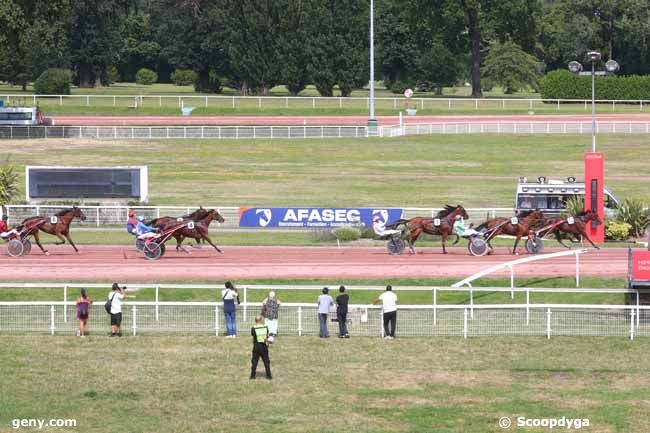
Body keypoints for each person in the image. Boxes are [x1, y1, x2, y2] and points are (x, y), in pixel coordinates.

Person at [250, 315, 272, 380]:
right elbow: (267, 334)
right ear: (261, 320)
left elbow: (253, 334)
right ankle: (269, 376)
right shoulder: (265, 327)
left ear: (255, 321)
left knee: (254, 362)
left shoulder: (253, 328)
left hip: (256, 346)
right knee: (266, 361)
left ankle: (252, 376)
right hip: (264, 346)